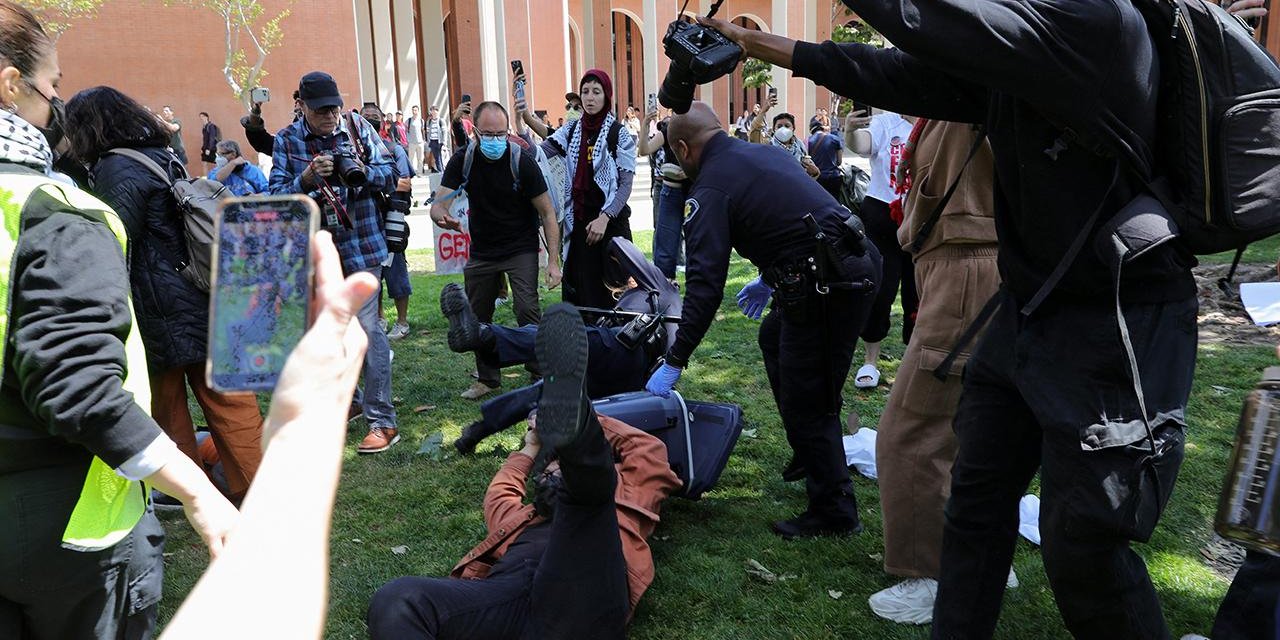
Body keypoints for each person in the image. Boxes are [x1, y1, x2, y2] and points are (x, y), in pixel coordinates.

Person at [703, 0, 1199, 635]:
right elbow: (892, 73)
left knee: (1084, 543)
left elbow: (929, 23)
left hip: (1112, 317)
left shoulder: (1091, 23)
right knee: (975, 504)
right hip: (1026, 305)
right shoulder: (1008, 60)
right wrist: (763, 47)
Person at [0, 5, 237, 637]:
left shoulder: (107, 176)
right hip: (65, 519)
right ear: (10, 84)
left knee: (189, 405)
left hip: (161, 315)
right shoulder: (56, 206)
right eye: (52, 88)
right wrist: (195, 493)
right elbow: (80, 386)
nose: (55, 110)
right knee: (215, 404)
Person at [367, 304, 683, 640]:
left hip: (580, 607)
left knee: (586, 493)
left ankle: (572, 404)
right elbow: (502, 490)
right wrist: (531, 446)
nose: (553, 470)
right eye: (549, 468)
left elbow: (646, 450)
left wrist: (590, 423)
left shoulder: (628, 497)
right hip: (507, 598)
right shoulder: (520, 518)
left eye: (561, 463)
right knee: (399, 599)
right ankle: (568, 407)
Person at [648, 102, 881, 540]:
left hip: (829, 282)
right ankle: (809, 450)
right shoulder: (762, 153)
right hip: (856, 260)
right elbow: (793, 216)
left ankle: (834, 509)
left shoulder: (710, 187)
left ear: (682, 147)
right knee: (775, 338)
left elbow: (704, 286)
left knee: (810, 394)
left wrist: (675, 359)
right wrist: (767, 277)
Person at [161, 231, 379, 640]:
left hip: (167, 319)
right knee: (226, 410)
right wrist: (307, 423)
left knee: (201, 413)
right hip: (200, 313)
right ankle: (223, 484)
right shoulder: (170, 172)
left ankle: (208, 484)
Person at [68, 86, 267, 506]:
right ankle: (258, 489)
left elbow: (114, 238)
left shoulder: (115, 168)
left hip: (160, 306)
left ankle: (186, 494)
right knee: (230, 400)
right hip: (201, 290)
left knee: (168, 405)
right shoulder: (161, 153)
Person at [865, 119, 1004, 624]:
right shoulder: (952, 96)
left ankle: (930, 572)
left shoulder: (964, 81)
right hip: (966, 263)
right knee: (975, 427)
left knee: (911, 433)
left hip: (967, 266)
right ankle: (978, 552)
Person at [268, 71, 400, 455]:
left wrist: (360, 175)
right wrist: (306, 179)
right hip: (318, 253)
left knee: (368, 331)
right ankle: (355, 399)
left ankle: (382, 420)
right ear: (303, 107)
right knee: (324, 334)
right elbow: (276, 196)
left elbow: (392, 173)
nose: (331, 116)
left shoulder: (358, 129)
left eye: (335, 108)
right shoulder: (288, 140)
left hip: (363, 245)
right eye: (322, 110)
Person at [431, 101, 562, 400]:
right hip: (483, 249)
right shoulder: (464, 160)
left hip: (520, 246)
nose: (495, 139)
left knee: (527, 308)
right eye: (488, 134)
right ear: (475, 132)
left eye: (501, 133)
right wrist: (442, 217)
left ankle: (539, 372)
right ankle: (488, 378)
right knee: (476, 316)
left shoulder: (522, 160)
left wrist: (553, 262)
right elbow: (439, 205)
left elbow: (547, 212)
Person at [440, 284, 657, 453]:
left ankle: (484, 336)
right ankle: (475, 432)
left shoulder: (659, 288)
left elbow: (622, 249)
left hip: (627, 354)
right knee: (546, 390)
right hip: (619, 384)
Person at [521, 69, 636, 308]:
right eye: (585, 92)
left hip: (611, 224)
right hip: (580, 223)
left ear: (607, 96)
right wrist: (519, 119)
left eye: (596, 92)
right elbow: (540, 152)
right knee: (581, 292)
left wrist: (605, 217)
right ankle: (581, 341)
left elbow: (626, 185)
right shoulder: (572, 130)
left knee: (615, 293)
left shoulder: (618, 133)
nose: (590, 98)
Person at [849, 110, 919, 390]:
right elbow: (863, 145)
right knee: (880, 291)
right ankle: (870, 362)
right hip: (882, 216)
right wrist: (850, 133)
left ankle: (914, 365)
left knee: (921, 295)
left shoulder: (937, 121)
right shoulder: (885, 122)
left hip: (923, 218)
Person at [361, 103, 415, 342]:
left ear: (383, 121)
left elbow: (405, 182)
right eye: (365, 117)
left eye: (374, 116)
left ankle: (402, 322)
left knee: (396, 270)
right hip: (365, 222)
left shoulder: (394, 149)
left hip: (391, 220)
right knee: (373, 273)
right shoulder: (355, 151)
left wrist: (374, 180)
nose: (370, 120)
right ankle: (380, 318)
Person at [638, 104, 687, 280]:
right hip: (670, 189)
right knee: (664, 241)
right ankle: (665, 286)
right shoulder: (668, 130)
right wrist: (644, 124)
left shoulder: (698, 129)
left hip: (694, 190)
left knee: (697, 238)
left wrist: (689, 171)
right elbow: (644, 150)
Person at [770, 112, 820, 179]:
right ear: (774, 129)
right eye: (779, 126)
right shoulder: (769, 146)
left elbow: (811, 170)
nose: (783, 129)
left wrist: (815, 172)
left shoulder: (800, 145)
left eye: (787, 126)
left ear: (793, 128)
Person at [807, 120, 844, 200]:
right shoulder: (835, 139)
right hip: (833, 177)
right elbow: (839, 162)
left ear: (811, 130)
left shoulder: (807, 141)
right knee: (834, 203)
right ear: (822, 128)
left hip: (817, 179)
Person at [406, 104, 425, 175]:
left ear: (418, 111)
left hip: (420, 142)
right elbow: (406, 131)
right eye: (413, 110)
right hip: (412, 143)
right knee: (411, 159)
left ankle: (419, 173)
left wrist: (424, 140)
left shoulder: (421, 120)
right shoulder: (409, 120)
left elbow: (423, 130)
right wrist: (408, 140)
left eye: (415, 110)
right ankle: (411, 172)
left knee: (420, 159)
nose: (414, 112)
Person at [426, 104, 444, 172]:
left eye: (435, 111)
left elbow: (444, 132)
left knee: (440, 157)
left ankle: (442, 171)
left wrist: (444, 142)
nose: (433, 112)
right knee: (437, 158)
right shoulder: (429, 121)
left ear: (437, 111)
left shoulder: (441, 121)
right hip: (432, 141)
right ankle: (441, 171)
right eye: (432, 111)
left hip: (439, 141)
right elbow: (427, 132)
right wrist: (428, 141)